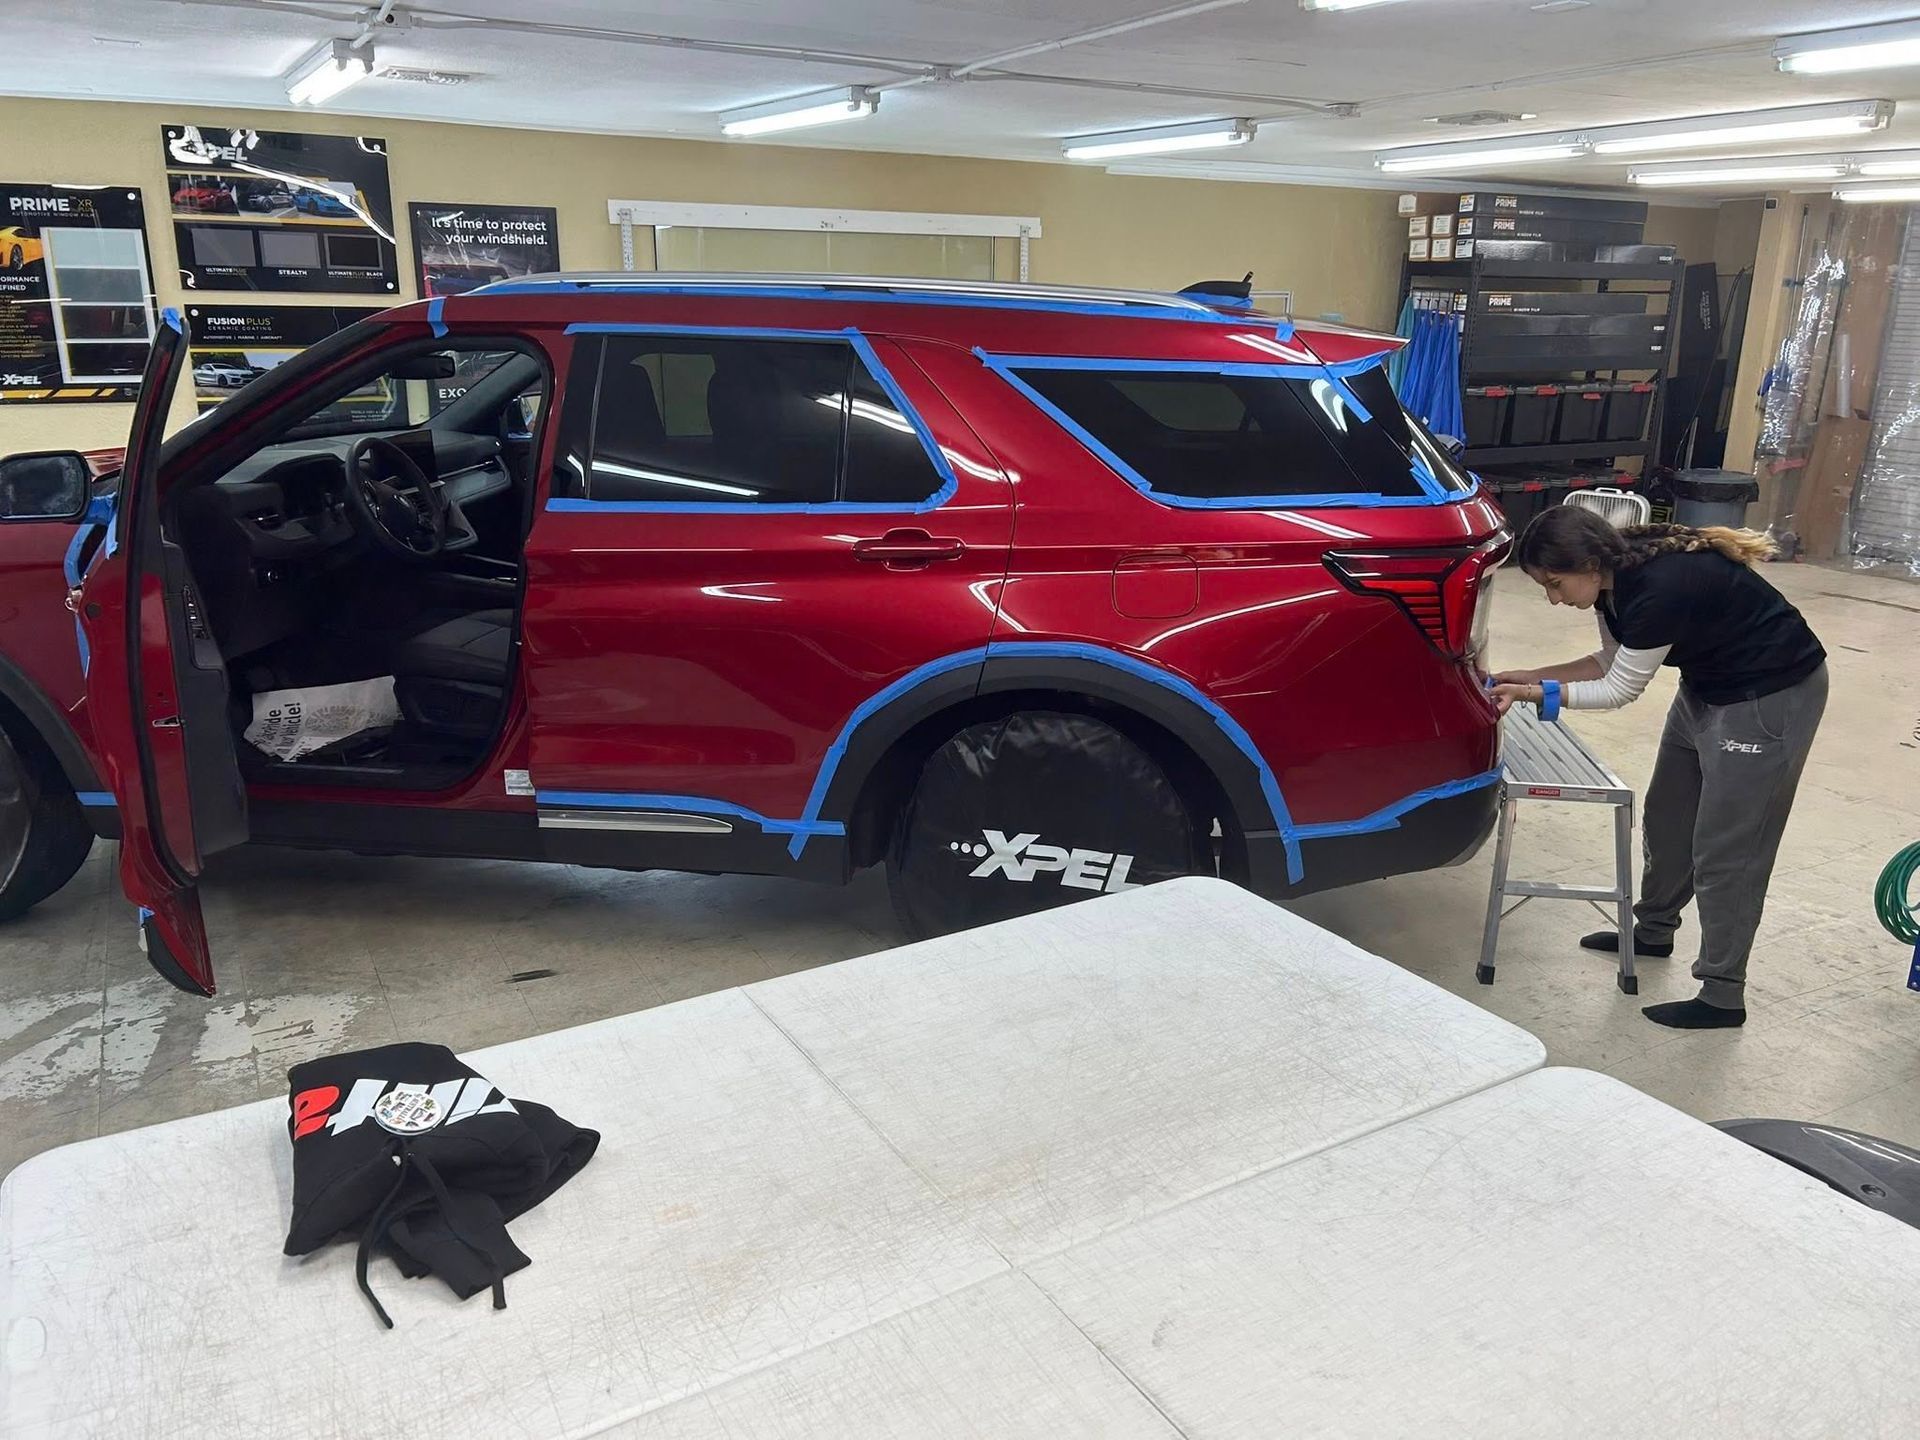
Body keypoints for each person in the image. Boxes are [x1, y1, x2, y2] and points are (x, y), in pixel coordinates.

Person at [1490, 507, 1828, 1030]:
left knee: (1727, 850)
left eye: (1555, 584)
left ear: (1588, 562)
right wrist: (1524, 675)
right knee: (1667, 818)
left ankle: (1721, 994)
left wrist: (1537, 693)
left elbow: (1620, 689)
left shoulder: (1658, 589)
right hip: (1707, 685)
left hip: (1769, 696)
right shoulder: (1611, 583)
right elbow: (1610, 660)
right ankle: (1652, 931)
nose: (1554, 598)